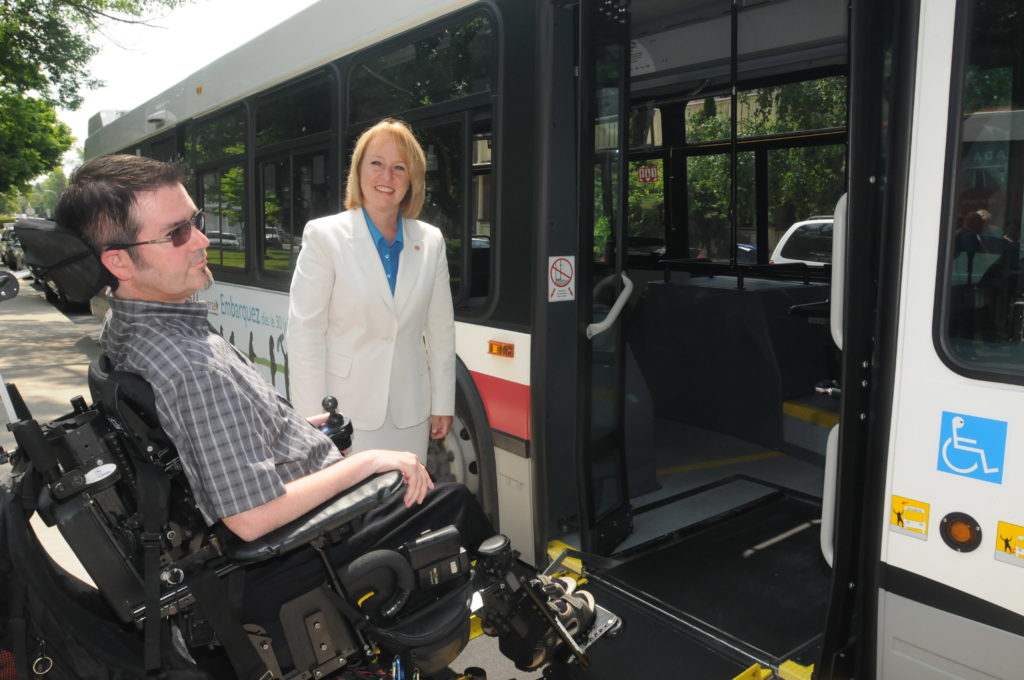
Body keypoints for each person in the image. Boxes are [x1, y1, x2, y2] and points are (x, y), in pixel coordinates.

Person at [55, 153, 595, 675]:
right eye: (176, 234)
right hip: (296, 552)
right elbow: (250, 517)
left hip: (262, 529)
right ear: (118, 260)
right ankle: (536, 629)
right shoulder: (186, 365)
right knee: (447, 498)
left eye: (194, 222)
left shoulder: (134, 331)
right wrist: (370, 463)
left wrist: (295, 428)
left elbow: (214, 439)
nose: (201, 239)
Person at [287, 118, 454, 462]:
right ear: (358, 170)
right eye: (376, 163)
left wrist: (443, 402)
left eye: (399, 167)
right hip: (346, 412)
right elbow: (305, 332)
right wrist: (310, 420)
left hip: (410, 410)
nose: (386, 176)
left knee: (407, 505)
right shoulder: (324, 236)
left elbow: (441, 329)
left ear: (412, 180)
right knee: (354, 510)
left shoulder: (431, 241)